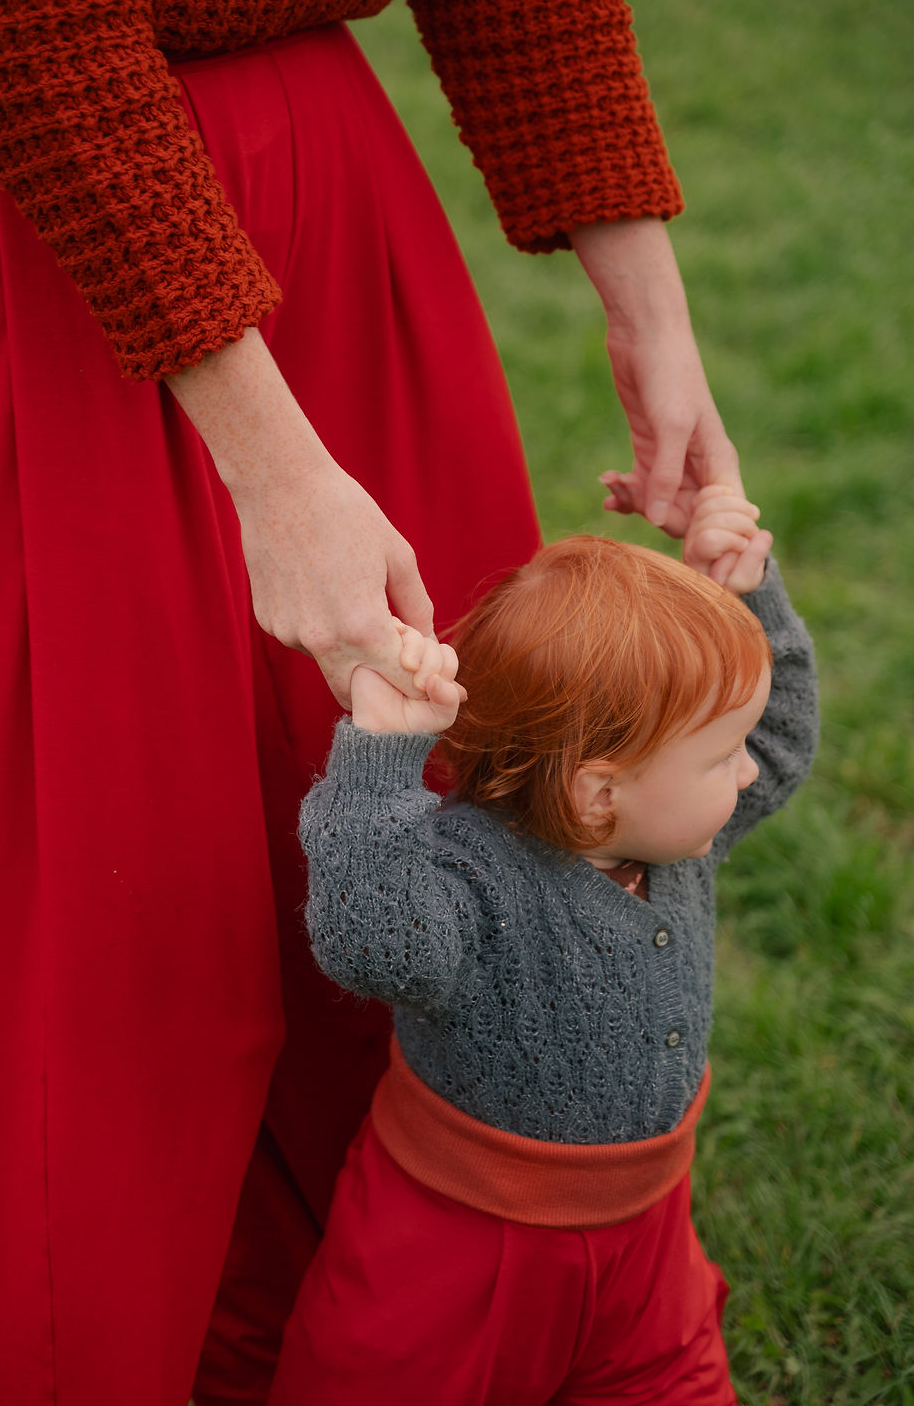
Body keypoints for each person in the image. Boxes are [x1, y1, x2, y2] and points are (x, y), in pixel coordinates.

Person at [0, 0, 743, 1403]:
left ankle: (411, 1289)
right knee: (111, 872)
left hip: (328, 198)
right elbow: (20, 10)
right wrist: (279, 472)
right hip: (36, 200)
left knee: (446, 790)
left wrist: (653, 317)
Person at [272, 485, 819, 1404]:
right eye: (724, 754)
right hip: (465, 1253)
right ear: (598, 794)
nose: (752, 766)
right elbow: (371, 940)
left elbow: (786, 740)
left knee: (669, 1381)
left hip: (647, 1234)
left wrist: (749, 594)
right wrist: (378, 758)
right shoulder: (475, 879)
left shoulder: (675, 837)